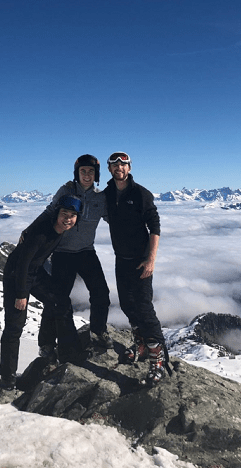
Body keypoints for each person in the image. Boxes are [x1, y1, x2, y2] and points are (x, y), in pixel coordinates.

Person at [0, 194, 84, 391]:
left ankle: (50, 348)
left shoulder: (59, 229)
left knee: (60, 301)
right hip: (16, 276)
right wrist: (21, 294)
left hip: (35, 272)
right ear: (57, 214)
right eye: (64, 213)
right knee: (14, 325)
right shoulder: (42, 232)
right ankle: (7, 379)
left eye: (72, 215)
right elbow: (22, 263)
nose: (68, 218)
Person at [36, 154, 112, 356]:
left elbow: (112, 219)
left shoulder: (100, 197)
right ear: (77, 173)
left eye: (91, 171)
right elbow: (49, 212)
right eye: (83, 171)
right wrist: (30, 232)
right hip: (63, 253)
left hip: (87, 251)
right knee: (57, 299)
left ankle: (98, 331)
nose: (87, 175)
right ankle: (47, 343)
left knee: (101, 294)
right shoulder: (66, 191)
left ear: (96, 175)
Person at [103, 152, 169, 384]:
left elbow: (155, 226)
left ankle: (157, 361)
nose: (119, 168)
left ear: (129, 168)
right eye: (115, 164)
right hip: (121, 259)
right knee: (126, 304)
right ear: (110, 169)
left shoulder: (141, 194)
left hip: (141, 260)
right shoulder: (108, 194)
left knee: (143, 307)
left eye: (123, 164)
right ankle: (141, 344)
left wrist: (151, 259)